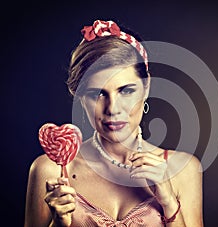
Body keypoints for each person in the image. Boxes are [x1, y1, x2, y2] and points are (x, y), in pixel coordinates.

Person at [25, 19, 204, 227]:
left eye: (126, 91)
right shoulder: (50, 171)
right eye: (97, 94)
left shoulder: (183, 169)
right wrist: (58, 223)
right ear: (80, 97)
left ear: (146, 89)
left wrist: (169, 203)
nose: (113, 109)